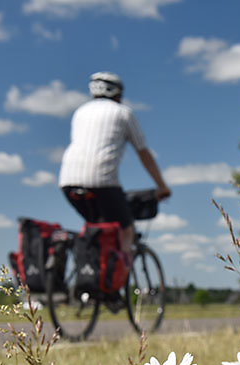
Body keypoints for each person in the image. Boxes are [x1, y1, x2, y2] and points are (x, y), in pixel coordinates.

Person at [58, 71, 171, 257]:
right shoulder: (124, 113)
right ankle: (118, 275)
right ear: (118, 93)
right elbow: (143, 153)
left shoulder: (80, 112)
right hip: (102, 181)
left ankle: (90, 271)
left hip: (67, 180)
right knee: (126, 229)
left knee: (96, 227)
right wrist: (162, 186)